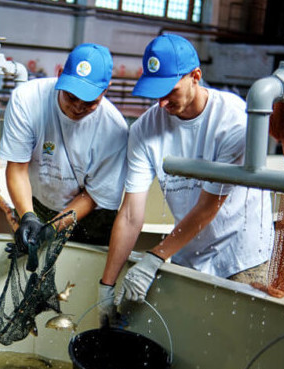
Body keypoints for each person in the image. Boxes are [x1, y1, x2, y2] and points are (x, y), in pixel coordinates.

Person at [98, 34, 274, 326]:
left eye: (170, 90)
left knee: (236, 340)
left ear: (196, 76)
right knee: (189, 337)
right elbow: (130, 215)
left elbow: (208, 207)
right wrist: (107, 285)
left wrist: (155, 257)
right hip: (188, 250)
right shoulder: (145, 130)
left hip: (241, 252)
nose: (163, 101)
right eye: (156, 92)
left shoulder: (233, 122)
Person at [0, 43, 129, 259]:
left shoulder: (114, 129)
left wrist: (51, 230)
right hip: (40, 202)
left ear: (106, 89)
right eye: (71, 97)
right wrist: (28, 218)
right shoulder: (28, 99)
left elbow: (93, 195)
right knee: (36, 265)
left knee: (82, 275)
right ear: (59, 75)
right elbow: (17, 169)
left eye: (90, 102)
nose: (78, 107)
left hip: (91, 217)